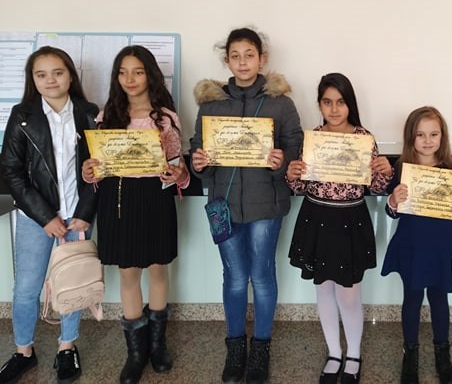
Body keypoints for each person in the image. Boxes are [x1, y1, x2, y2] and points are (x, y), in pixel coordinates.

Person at [190, 27, 303, 384]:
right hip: (223, 204)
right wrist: (199, 162)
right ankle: (236, 346)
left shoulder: (280, 103)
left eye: (249, 55)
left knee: (262, 276)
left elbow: (295, 147)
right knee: (235, 277)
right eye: (235, 56)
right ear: (227, 60)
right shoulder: (211, 104)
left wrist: (282, 160)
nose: (242, 62)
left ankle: (261, 348)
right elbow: (198, 149)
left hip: (266, 205)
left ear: (262, 59)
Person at [82, 45, 190, 384]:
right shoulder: (106, 116)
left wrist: (178, 174)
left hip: (155, 198)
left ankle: (157, 345)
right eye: (123, 72)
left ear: (150, 75)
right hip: (118, 199)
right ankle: (135, 353)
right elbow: (98, 168)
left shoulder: (166, 118)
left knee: (158, 269)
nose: (130, 79)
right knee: (128, 273)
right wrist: (89, 171)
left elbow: (178, 167)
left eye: (138, 72)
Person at [286, 72, 392, 384]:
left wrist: (385, 171)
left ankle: (354, 354)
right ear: (319, 104)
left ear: (350, 104)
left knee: (348, 294)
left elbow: (375, 187)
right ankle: (334, 353)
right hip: (316, 217)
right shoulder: (312, 139)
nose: (334, 109)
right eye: (327, 102)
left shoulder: (364, 138)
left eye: (341, 102)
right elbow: (300, 187)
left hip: (349, 220)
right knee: (323, 288)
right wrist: (292, 175)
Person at [0, 47, 98, 384]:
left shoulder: (89, 113)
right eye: (41, 75)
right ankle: (23, 351)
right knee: (27, 288)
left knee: (73, 284)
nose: (50, 80)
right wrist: (45, 217)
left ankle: (66, 347)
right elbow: (12, 172)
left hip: (77, 218)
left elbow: (100, 169)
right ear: (33, 79)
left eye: (57, 72)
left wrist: (84, 213)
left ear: (70, 75)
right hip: (36, 219)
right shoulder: (22, 115)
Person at [381, 106, 452, 384]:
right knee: (412, 298)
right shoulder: (401, 170)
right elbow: (391, 212)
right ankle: (410, 355)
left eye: (434, 134)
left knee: (439, 299)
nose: (428, 140)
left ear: (443, 136)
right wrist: (393, 200)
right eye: (420, 135)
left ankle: (443, 354)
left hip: (441, 248)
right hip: (412, 247)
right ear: (411, 137)